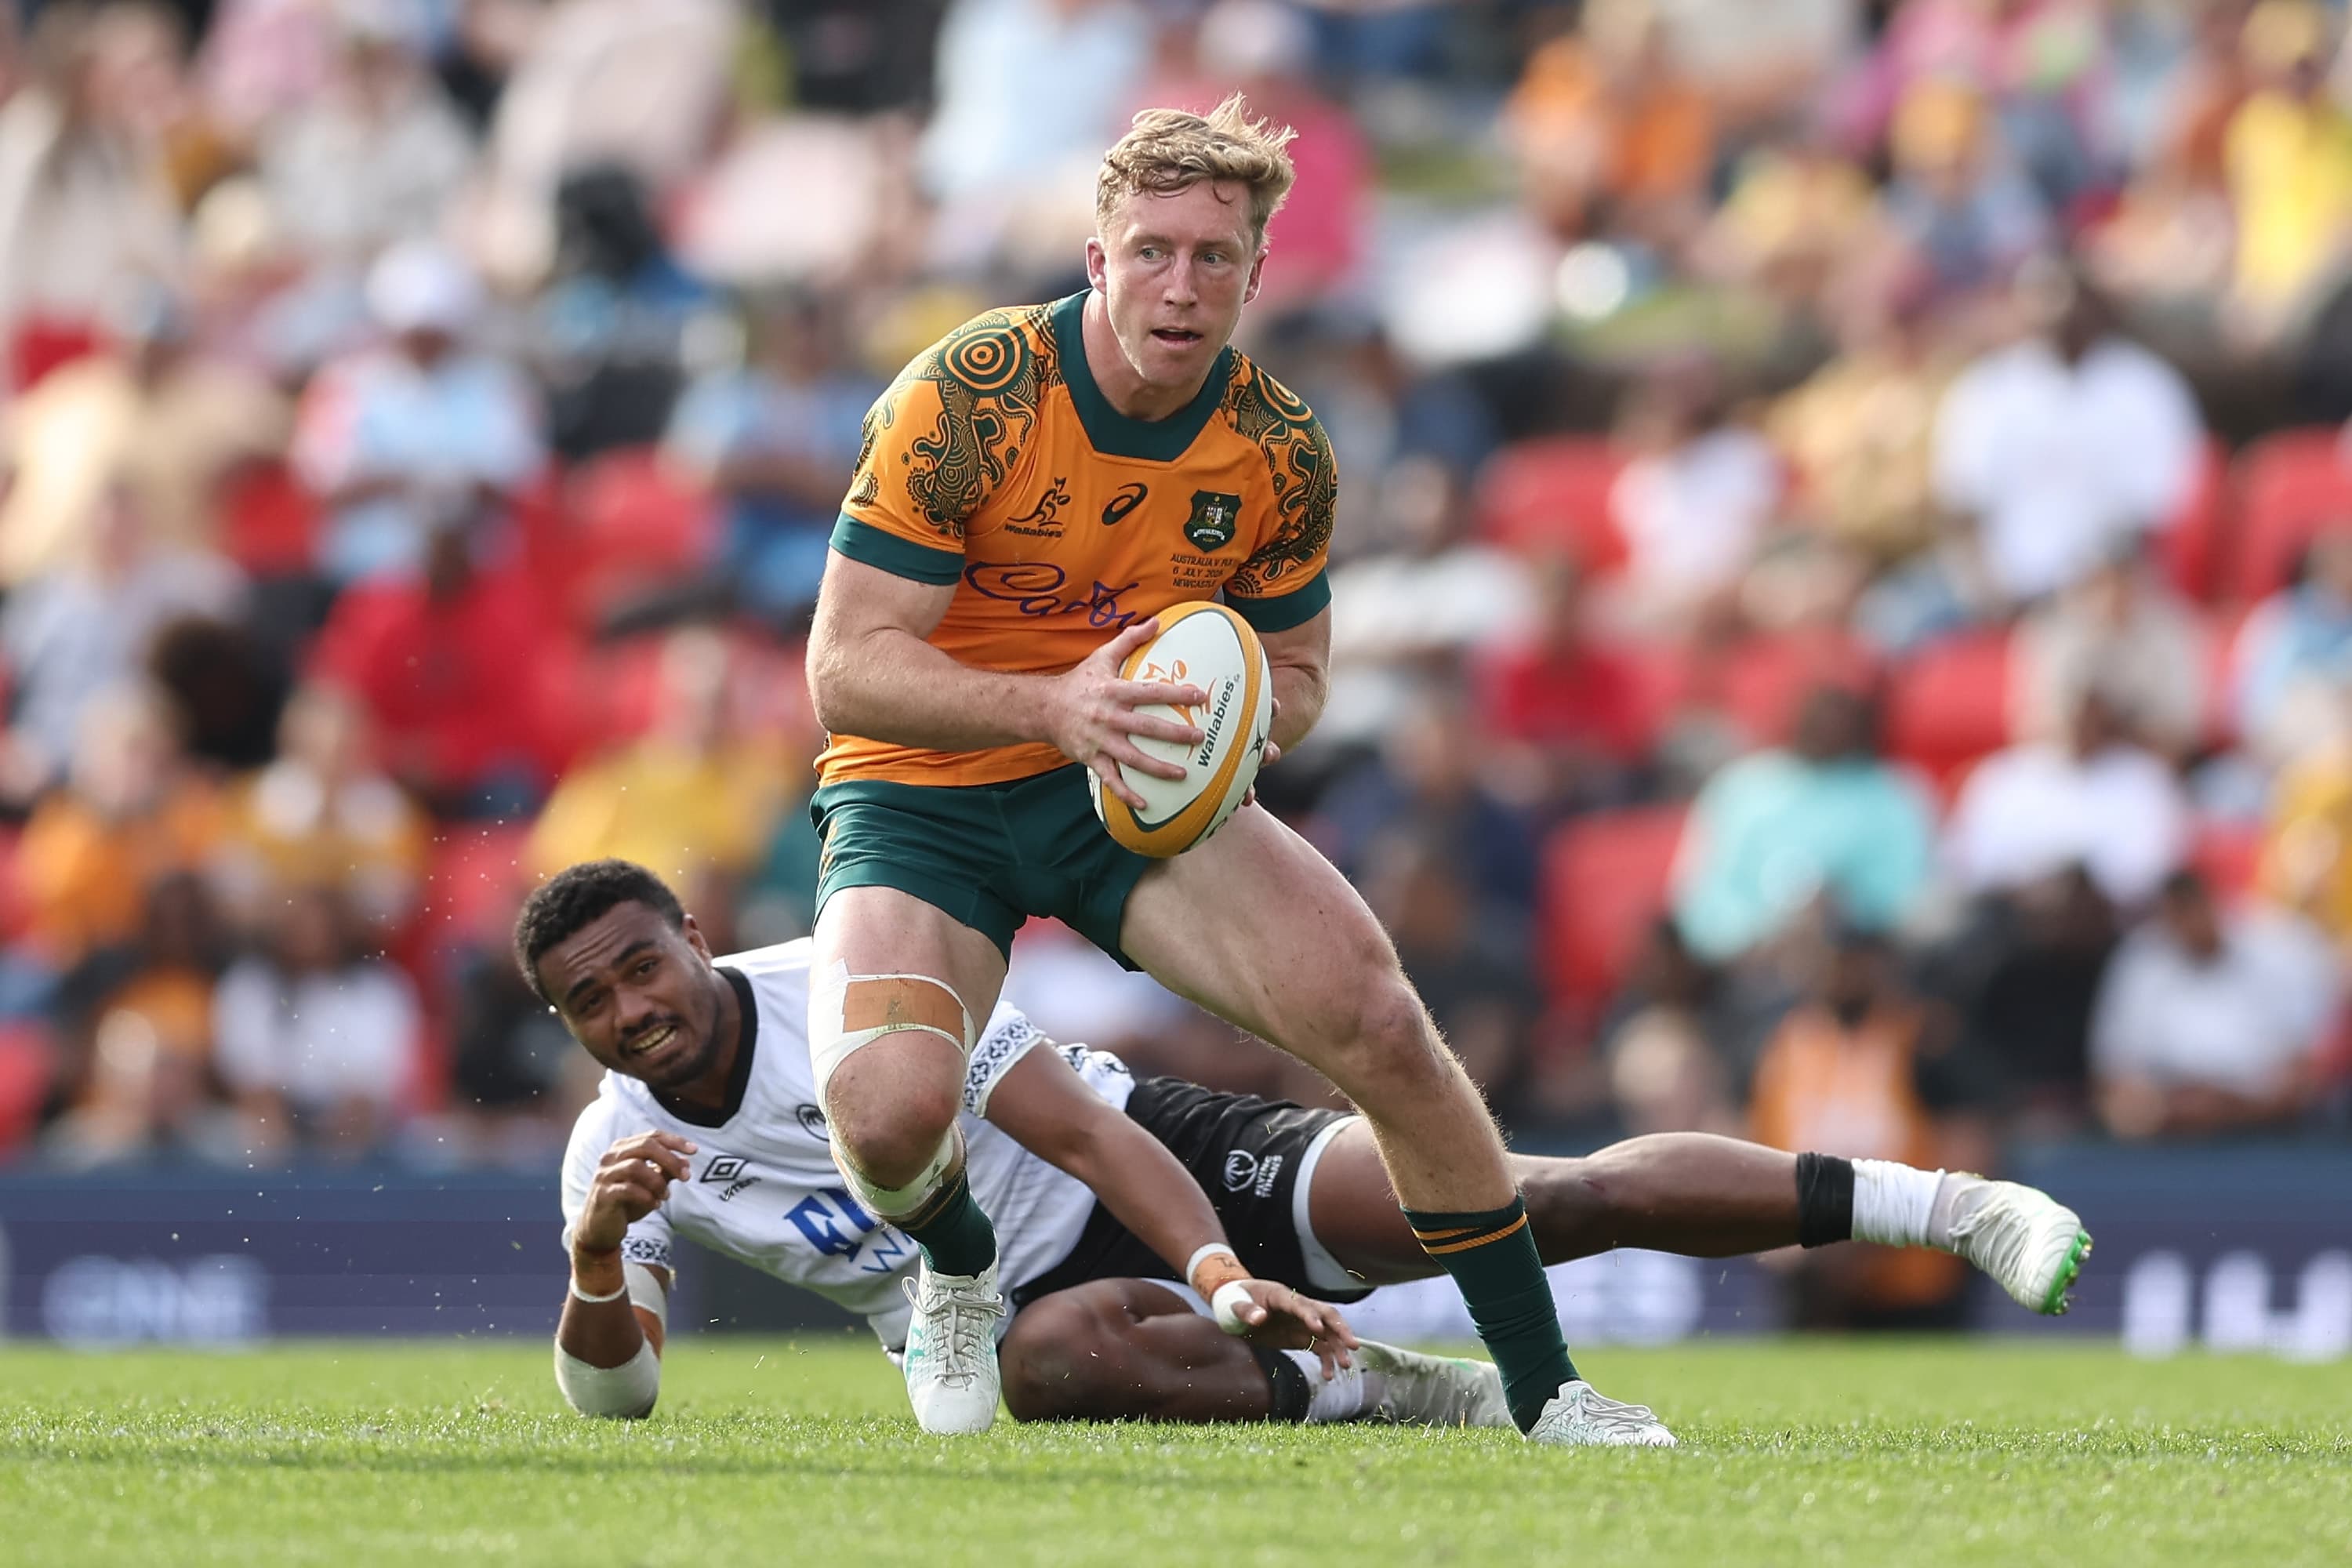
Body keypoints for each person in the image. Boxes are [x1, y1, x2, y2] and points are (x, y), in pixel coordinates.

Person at [800, 97, 1651, 1445]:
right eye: (1151, 251)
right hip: (927, 788)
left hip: (1128, 791)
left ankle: (1548, 1395)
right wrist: (1055, 702)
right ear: (1096, 261)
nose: (1181, 285)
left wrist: (1246, 732)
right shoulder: (970, 395)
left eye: (1215, 257)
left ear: (1259, 274)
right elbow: (844, 667)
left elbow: (1300, 673)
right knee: (891, 1116)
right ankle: (957, 1262)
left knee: (1381, 1025)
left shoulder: (1281, 451)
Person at [521, 860, 2093, 1427]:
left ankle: (1947, 1203)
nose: (630, 1008)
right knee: (1044, 1364)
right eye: (591, 999)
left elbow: (1080, 1121)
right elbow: (619, 1397)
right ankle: (1389, 1392)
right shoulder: (618, 1145)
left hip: (1155, 1160)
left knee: (1537, 1204)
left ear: (692, 937)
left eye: (640, 965)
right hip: (1031, 1312)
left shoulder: (857, 989)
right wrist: (598, 1255)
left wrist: (1212, 1257)